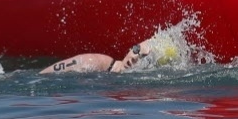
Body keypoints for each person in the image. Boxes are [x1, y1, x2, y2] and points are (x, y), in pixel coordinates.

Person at [40, 38, 178, 74]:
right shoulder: (97, 62)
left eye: (143, 57)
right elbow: (42, 77)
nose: (135, 57)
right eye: (136, 50)